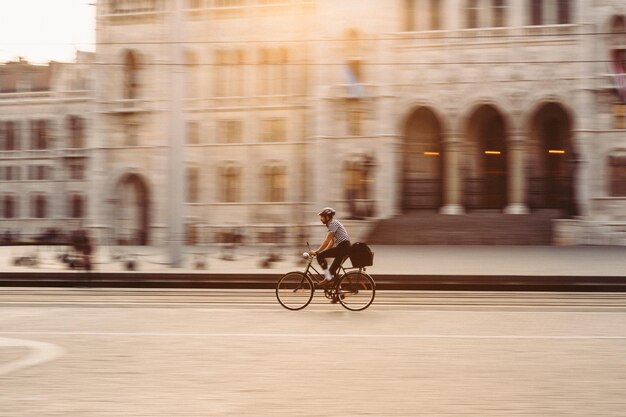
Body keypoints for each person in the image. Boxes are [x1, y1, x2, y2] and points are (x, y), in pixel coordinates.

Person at [308, 207, 351, 286]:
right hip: (344, 248)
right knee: (332, 271)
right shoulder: (332, 224)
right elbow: (331, 243)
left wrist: (317, 252)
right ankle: (339, 293)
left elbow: (327, 241)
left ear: (327, 217)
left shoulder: (333, 223)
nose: (321, 219)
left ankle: (328, 278)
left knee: (320, 256)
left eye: (322, 217)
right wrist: (324, 252)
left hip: (343, 247)